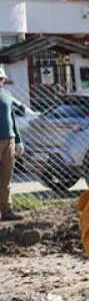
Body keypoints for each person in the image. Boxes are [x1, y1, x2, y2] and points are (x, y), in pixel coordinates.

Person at [0, 66, 23, 221]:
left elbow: (12, 119)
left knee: (6, 177)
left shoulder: (7, 95)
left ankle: (6, 210)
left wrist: (19, 141)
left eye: (1, 78)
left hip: (10, 140)